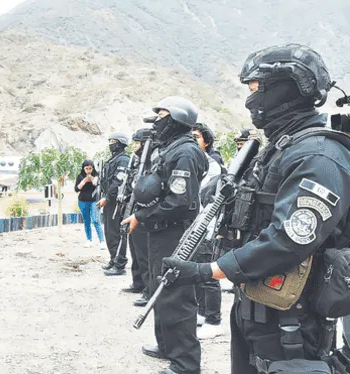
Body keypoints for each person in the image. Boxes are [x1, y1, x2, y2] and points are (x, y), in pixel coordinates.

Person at [161, 44, 350, 374]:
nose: (251, 99)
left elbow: (289, 239)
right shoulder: (279, 149)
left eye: (256, 89)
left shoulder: (317, 155)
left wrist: (208, 271)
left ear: (287, 88)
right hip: (258, 303)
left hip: (293, 319)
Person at [122, 96, 207, 374]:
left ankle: (185, 364)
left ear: (177, 119)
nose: (157, 121)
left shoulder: (184, 152)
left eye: (162, 116)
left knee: (177, 297)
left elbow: (179, 202)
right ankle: (168, 346)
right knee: (162, 291)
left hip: (176, 233)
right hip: (162, 231)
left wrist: (141, 216)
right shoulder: (170, 149)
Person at [191, 123, 225, 340]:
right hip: (195, 226)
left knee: (208, 273)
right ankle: (203, 313)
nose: (193, 141)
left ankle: (214, 319)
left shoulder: (212, 166)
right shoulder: (196, 163)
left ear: (207, 142)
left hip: (208, 226)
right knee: (196, 271)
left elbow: (206, 199)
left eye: (196, 137)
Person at [123, 128, 153, 301]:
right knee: (134, 250)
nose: (134, 146)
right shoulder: (137, 162)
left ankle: (149, 290)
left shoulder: (150, 162)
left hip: (144, 212)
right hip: (133, 209)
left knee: (144, 253)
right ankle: (138, 283)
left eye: (137, 142)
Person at [98, 132, 130, 276]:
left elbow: (118, 181)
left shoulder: (123, 160)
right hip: (109, 200)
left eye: (113, 141)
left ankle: (119, 264)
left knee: (116, 233)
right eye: (110, 141)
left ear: (120, 143)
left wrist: (107, 197)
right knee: (109, 233)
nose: (111, 143)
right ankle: (113, 259)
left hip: (116, 202)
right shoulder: (113, 159)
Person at [74, 160, 104, 248]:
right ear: (83, 169)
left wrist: (93, 180)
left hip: (94, 201)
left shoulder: (97, 175)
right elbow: (76, 189)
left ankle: (102, 241)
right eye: (86, 169)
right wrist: (84, 181)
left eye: (90, 168)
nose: (88, 171)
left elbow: (98, 186)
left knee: (96, 220)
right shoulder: (80, 176)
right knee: (86, 221)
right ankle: (89, 240)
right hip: (83, 201)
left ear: (93, 168)